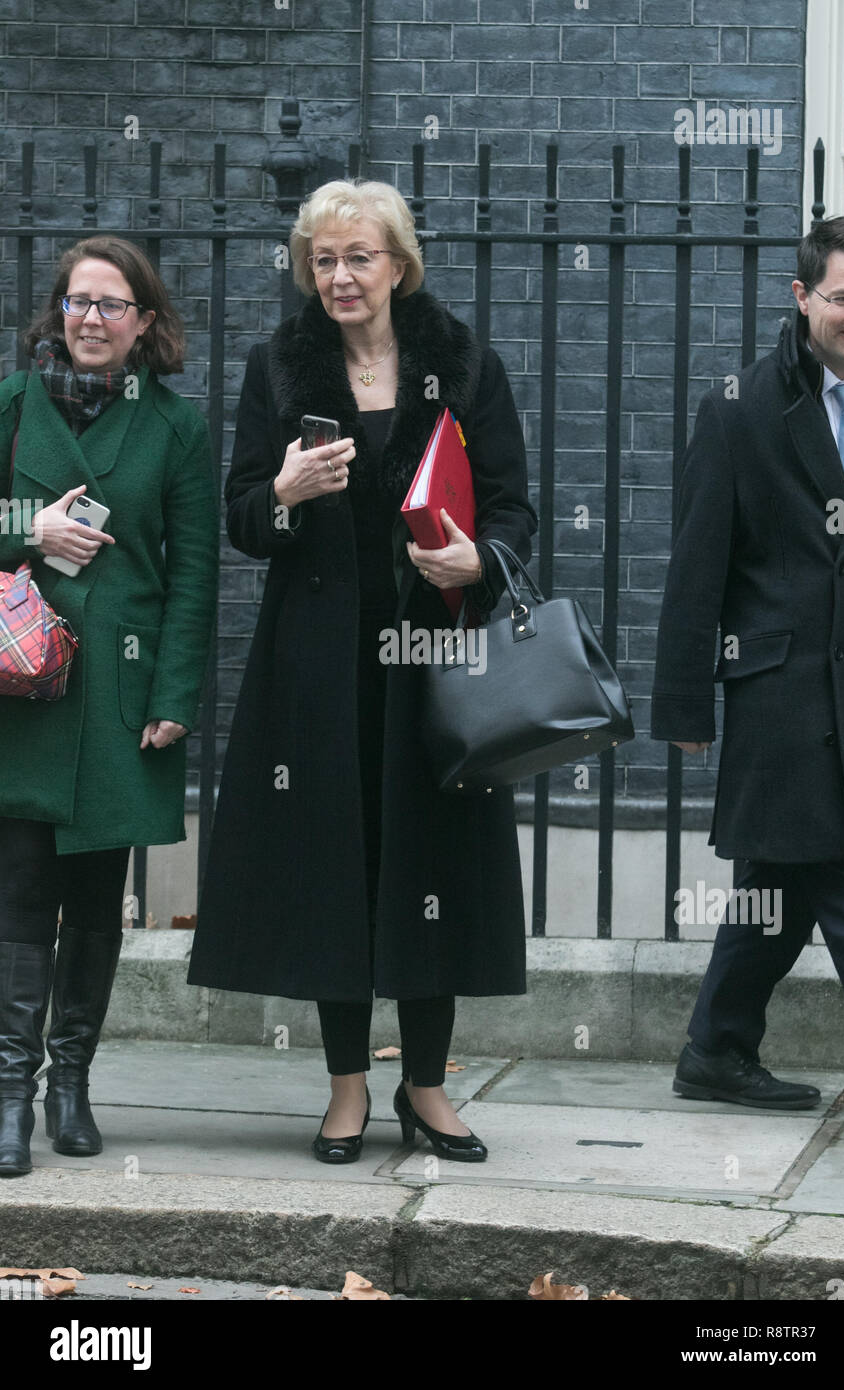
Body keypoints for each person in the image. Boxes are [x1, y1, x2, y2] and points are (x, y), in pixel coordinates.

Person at [187, 178, 536, 1163]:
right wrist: (286, 491)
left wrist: (481, 560)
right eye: (322, 259)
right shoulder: (279, 368)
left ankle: (424, 1089)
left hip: (433, 661)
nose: (339, 275)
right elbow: (242, 517)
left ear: (398, 264)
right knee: (331, 869)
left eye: (357, 257)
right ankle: (346, 1089)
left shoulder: (460, 365)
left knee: (436, 869)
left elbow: (512, 507)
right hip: (318, 663)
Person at [0, 235, 219, 1177]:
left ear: (144, 325)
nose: (92, 320)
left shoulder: (176, 427)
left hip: (121, 700)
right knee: (15, 896)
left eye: (113, 306)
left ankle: (72, 1086)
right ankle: (8, 1094)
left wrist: (174, 693)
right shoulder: (9, 409)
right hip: (20, 693)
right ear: (57, 315)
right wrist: (26, 527)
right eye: (78, 303)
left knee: (94, 900)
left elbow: (195, 571)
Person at [652, 215, 844, 1109]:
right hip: (783, 694)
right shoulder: (739, 406)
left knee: (772, 893)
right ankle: (717, 1049)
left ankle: (715, 1048)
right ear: (803, 296)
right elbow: (697, 563)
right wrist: (685, 710)